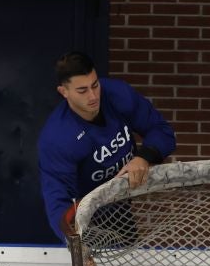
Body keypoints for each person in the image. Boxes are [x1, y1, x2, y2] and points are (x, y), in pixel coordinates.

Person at [37, 51, 177, 241]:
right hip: (86, 219)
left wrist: (143, 157)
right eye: (82, 90)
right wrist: (76, 243)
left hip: (120, 211)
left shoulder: (118, 94)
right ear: (64, 92)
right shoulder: (57, 138)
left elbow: (162, 130)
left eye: (95, 85)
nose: (93, 95)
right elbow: (58, 200)